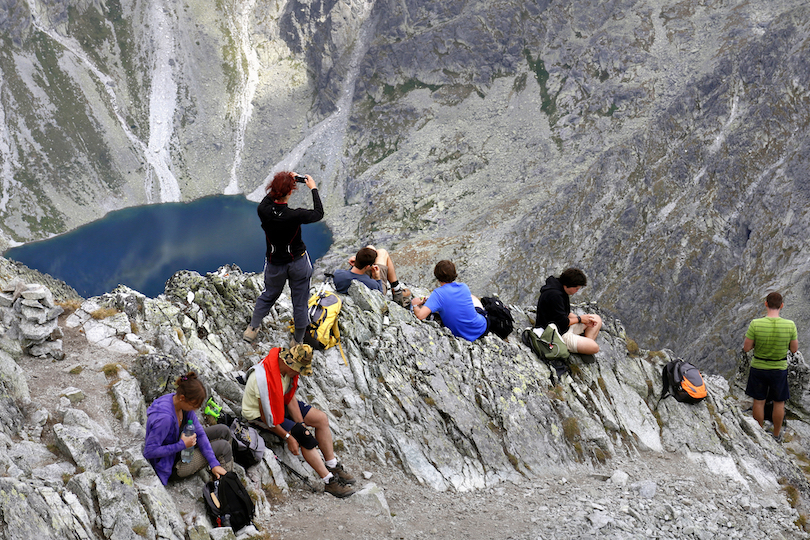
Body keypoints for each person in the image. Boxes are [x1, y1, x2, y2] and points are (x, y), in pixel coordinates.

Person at [241, 344, 356, 498]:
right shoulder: (262, 380)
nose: (300, 373)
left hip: (278, 403)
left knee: (321, 419)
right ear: (291, 364)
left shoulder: (286, 370)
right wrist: (289, 437)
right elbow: (266, 418)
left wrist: (300, 424)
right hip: (258, 415)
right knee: (304, 436)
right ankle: (329, 482)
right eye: (299, 369)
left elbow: (289, 397)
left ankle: (332, 465)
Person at [244, 171, 324, 345]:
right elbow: (319, 213)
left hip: (275, 263)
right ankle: (297, 340)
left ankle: (252, 328)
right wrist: (313, 188)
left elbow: (269, 197)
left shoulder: (262, 210)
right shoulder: (295, 215)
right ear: (290, 192)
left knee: (268, 295)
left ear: (273, 190)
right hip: (298, 263)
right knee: (300, 301)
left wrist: (283, 182)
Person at [143, 372, 233, 485]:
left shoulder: (180, 404)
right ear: (182, 398)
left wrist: (213, 463)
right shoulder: (165, 419)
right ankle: (226, 486)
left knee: (223, 430)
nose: (194, 409)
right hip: (172, 466)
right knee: (224, 447)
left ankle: (219, 470)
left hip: (183, 447)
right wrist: (182, 445)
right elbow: (149, 451)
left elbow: (199, 433)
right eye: (194, 405)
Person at [742, 291, 799, 442]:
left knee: (758, 401)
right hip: (779, 368)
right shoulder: (790, 325)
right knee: (779, 402)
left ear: (766, 304)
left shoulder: (756, 324)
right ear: (782, 306)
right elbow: (794, 349)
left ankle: (759, 434)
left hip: (759, 367)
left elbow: (746, 348)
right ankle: (776, 435)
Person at [411, 260, 488, 341]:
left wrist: (415, 304)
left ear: (437, 276)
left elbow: (420, 315)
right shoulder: (464, 287)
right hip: (481, 329)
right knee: (473, 298)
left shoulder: (437, 294)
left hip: (460, 335)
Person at [534, 267, 602, 355]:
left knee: (596, 319)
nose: (577, 291)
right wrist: (580, 319)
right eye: (576, 288)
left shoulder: (560, 288)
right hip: (556, 333)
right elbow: (563, 322)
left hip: (564, 327)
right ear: (568, 285)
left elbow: (564, 313)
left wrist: (586, 319)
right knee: (595, 347)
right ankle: (583, 347)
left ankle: (584, 345)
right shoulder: (555, 295)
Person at [333, 245, 411, 306]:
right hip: (370, 286)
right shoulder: (372, 283)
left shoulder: (338, 274)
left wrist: (354, 265)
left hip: (357, 274)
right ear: (367, 267)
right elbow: (380, 296)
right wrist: (377, 278)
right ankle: (397, 291)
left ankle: (362, 261)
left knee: (370, 248)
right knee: (383, 252)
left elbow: (350, 274)